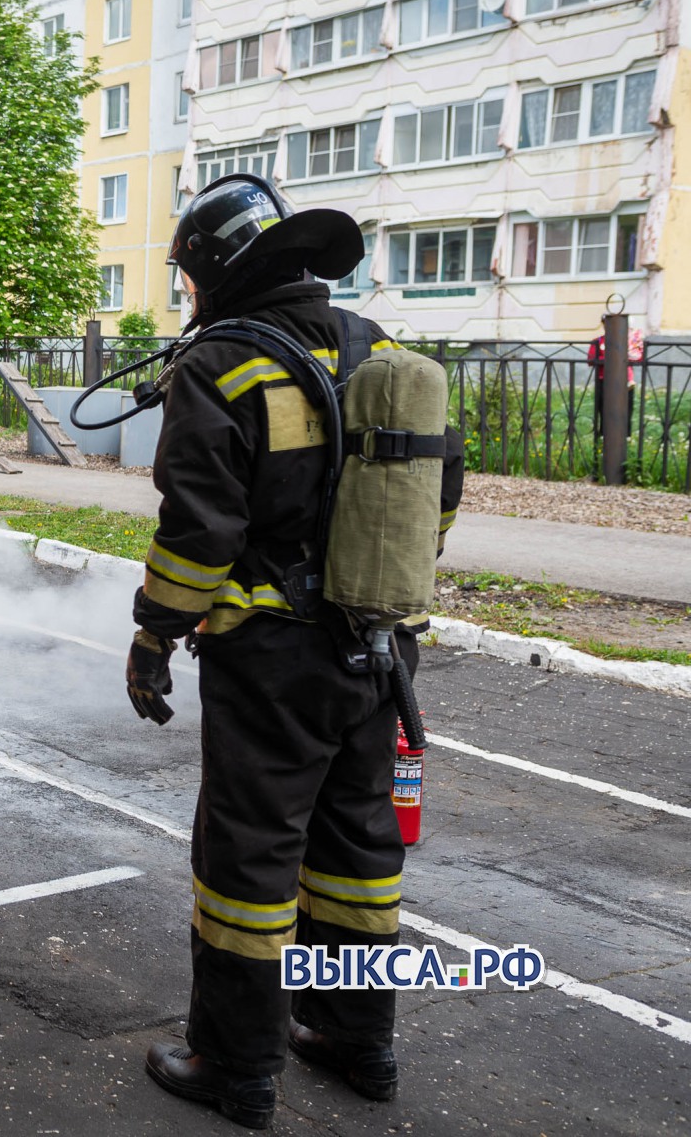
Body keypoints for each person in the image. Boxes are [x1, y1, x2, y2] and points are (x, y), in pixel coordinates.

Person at [126, 174, 463, 1129]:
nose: (190, 298)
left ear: (217, 268)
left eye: (190, 279)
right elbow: (436, 498)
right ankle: (361, 1041)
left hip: (273, 658)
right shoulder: (381, 347)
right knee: (359, 853)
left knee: (250, 853)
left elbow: (199, 530)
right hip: (380, 646)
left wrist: (156, 630)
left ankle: (234, 1065)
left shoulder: (224, 363)